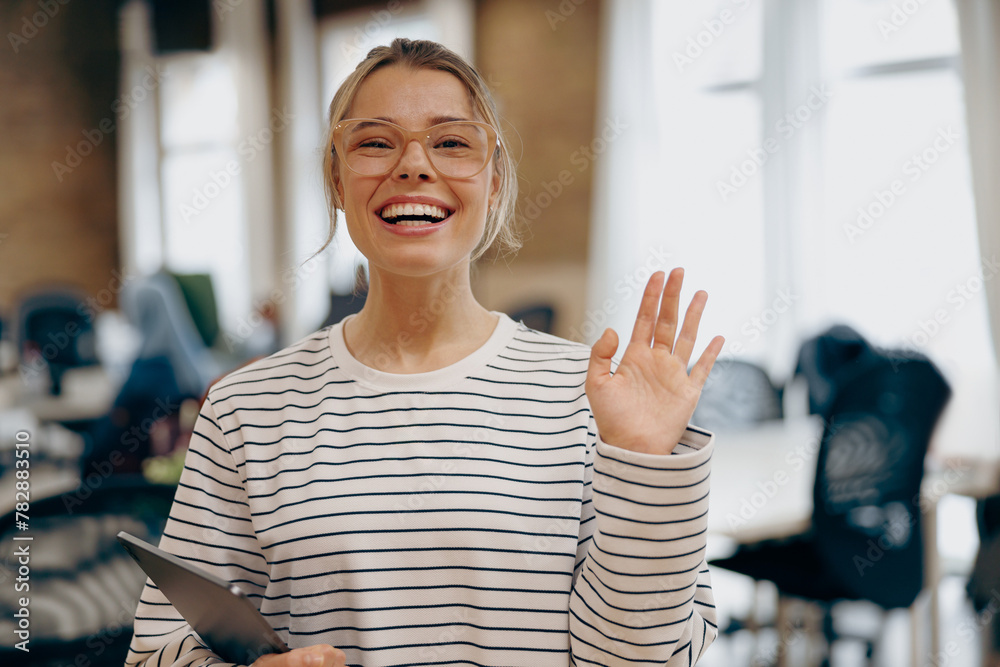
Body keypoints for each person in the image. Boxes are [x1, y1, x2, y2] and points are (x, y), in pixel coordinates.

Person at [125, 38, 725, 667]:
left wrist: (641, 465)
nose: (413, 165)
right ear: (336, 180)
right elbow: (157, 652)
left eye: (451, 142)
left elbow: (636, 660)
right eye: (375, 142)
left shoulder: (593, 399)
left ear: (493, 183)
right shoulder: (246, 408)